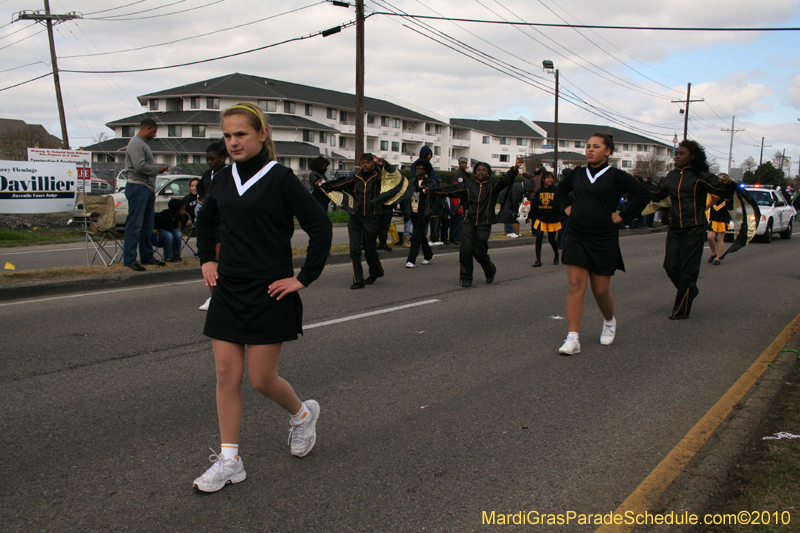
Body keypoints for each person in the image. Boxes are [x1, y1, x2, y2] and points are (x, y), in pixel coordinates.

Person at [193, 102, 332, 493]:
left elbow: (319, 227)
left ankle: (303, 414)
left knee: (261, 379)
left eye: (242, 134)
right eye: (228, 135)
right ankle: (229, 460)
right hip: (228, 289)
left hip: (270, 290)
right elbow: (205, 223)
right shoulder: (220, 178)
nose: (234, 142)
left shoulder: (282, 179)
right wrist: (206, 260)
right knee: (226, 374)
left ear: (262, 135)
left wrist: (302, 278)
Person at [555, 133, 651, 355]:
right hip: (577, 235)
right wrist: (567, 208)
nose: (590, 150)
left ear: (608, 151)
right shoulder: (578, 174)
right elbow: (561, 190)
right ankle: (573, 338)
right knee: (575, 285)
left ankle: (609, 321)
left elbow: (643, 195)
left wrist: (622, 217)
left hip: (603, 237)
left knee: (600, 290)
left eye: (596, 147)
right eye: (588, 146)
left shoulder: (616, 176)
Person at [650, 140, 733, 320]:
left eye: (681, 153)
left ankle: (681, 309)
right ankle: (690, 290)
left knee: (688, 269)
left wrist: (727, 183)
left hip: (694, 227)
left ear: (692, 156)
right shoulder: (671, 176)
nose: (677, 156)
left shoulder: (701, 176)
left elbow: (722, 190)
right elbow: (656, 194)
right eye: (676, 153)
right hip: (675, 226)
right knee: (670, 266)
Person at [427, 157, 524, 287]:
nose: (481, 172)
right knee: (465, 250)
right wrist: (432, 191)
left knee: (479, 252)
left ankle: (490, 270)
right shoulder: (469, 187)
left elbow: (505, 180)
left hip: (485, 223)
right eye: (478, 170)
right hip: (469, 223)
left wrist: (515, 167)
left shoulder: (492, 186)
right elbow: (450, 190)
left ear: (488, 173)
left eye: (484, 170)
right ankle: (466, 278)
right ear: (475, 172)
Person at [320, 153, 387, 289]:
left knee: (369, 249)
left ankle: (376, 271)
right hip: (356, 216)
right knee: (354, 249)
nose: (365, 165)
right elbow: (338, 184)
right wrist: (324, 185)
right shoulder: (355, 179)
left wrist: (383, 165)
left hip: (372, 216)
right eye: (363, 162)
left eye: (368, 162)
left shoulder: (379, 177)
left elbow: (392, 178)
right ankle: (358, 280)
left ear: (372, 163)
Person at [122, 118, 168, 271]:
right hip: (137, 187)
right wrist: (157, 169)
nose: (154, 135)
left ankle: (147, 257)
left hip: (147, 188)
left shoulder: (143, 144)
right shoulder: (136, 143)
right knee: (134, 225)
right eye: (154, 132)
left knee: (147, 226)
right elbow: (139, 166)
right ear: (148, 128)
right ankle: (129, 260)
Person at [196, 142, 229, 311]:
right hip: (210, 222)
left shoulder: (228, 174)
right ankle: (214, 295)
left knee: (221, 258)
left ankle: (223, 294)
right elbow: (200, 189)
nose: (209, 162)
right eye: (207, 159)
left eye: (213, 159)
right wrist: (202, 198)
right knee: (211, 260)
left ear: (223, 158)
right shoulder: (208, 175)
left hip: (223, 222)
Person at [527, 171, 562, 267]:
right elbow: (535, 206)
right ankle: (538, 260)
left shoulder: (556, 191)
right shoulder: (540, 191)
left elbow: (560, 206)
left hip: (552, 219)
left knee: (551, 239)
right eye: (547, 178)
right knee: (539, 238)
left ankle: (556, 254)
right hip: (541, 218)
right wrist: (530, 216)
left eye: (551, 178)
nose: (550, 180)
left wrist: (554, 204)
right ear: (543, 180)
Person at [405, 161, 435, 268]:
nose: (419, 170)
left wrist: (431, 211)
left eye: (421, 168)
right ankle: (429, 254)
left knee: (416, 236)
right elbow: (407, 197)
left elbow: (435, 199)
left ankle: (411, 260)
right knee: (421, 235)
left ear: (426, 170)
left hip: (424, 213)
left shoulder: (430, 183)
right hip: (413, 212)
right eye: (417, 168)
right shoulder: (411, 182)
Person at [706, 174, 733, 265]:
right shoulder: (714, 189)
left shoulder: (729, 190)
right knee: (710, 237)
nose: (721, 181)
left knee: (720, 237)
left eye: (723, 179)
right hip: (713, 215)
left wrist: (729, 183)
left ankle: (718, 258)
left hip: (724, 215)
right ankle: (714, 253)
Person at [153, 198, 190, 262]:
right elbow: (156, 221)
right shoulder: (164, 214)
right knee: (169, 236)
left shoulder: (179, 216)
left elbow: (183, 220)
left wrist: (187, 222)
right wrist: (154, 229)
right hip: (162, 229)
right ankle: (168, 256)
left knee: (178, 234)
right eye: (182, 209)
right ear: (177, 210)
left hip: (171, 229)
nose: (184, 211)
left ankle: (176, 254)